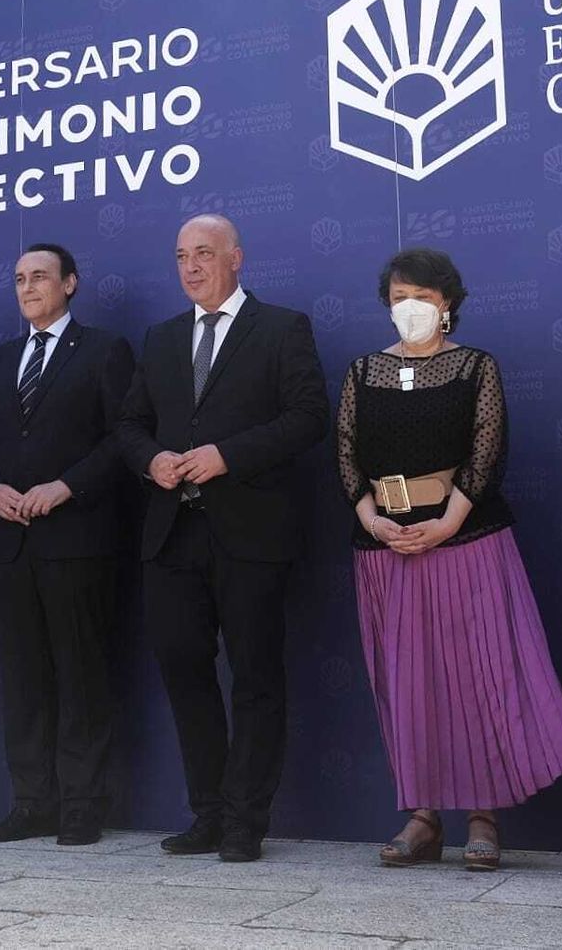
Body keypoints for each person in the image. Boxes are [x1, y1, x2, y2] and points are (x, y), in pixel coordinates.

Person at [338, 249, 562, 871]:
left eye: (421, 297)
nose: (409, 308)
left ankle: (484, 818)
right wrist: (373, 519)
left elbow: (488, 449)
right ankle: (423, 817)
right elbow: (346, 453)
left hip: (466, 539)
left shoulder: (474, 366)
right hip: (384, 547)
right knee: (406, 684)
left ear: (447, 303)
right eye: (398, 297)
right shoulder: (363, 371)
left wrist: (447, 521)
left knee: (479, 677)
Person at [115, 214, 328, 863]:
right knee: (184, 671)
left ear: (236, 257)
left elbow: (309, 417)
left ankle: (244, 822)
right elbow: (127, 424)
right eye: (180, 255)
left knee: (256, 678)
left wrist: (226, 455)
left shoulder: (282, 328)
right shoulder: (160, 338)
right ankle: (206, 812)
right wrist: (150, 457)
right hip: (172, 534)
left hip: (250, 534)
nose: (190, 266)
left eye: (203, 253)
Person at [0, 244, 135, 846]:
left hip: (77, 539)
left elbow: (124, 438)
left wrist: (66, 487)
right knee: (23, 679)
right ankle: (31, 801)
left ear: (71, 282)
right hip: (10, 542)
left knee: (80, 675)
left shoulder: (103, 350)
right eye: (18, 279)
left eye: (39, 276)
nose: (28, 286)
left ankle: (81, 805)